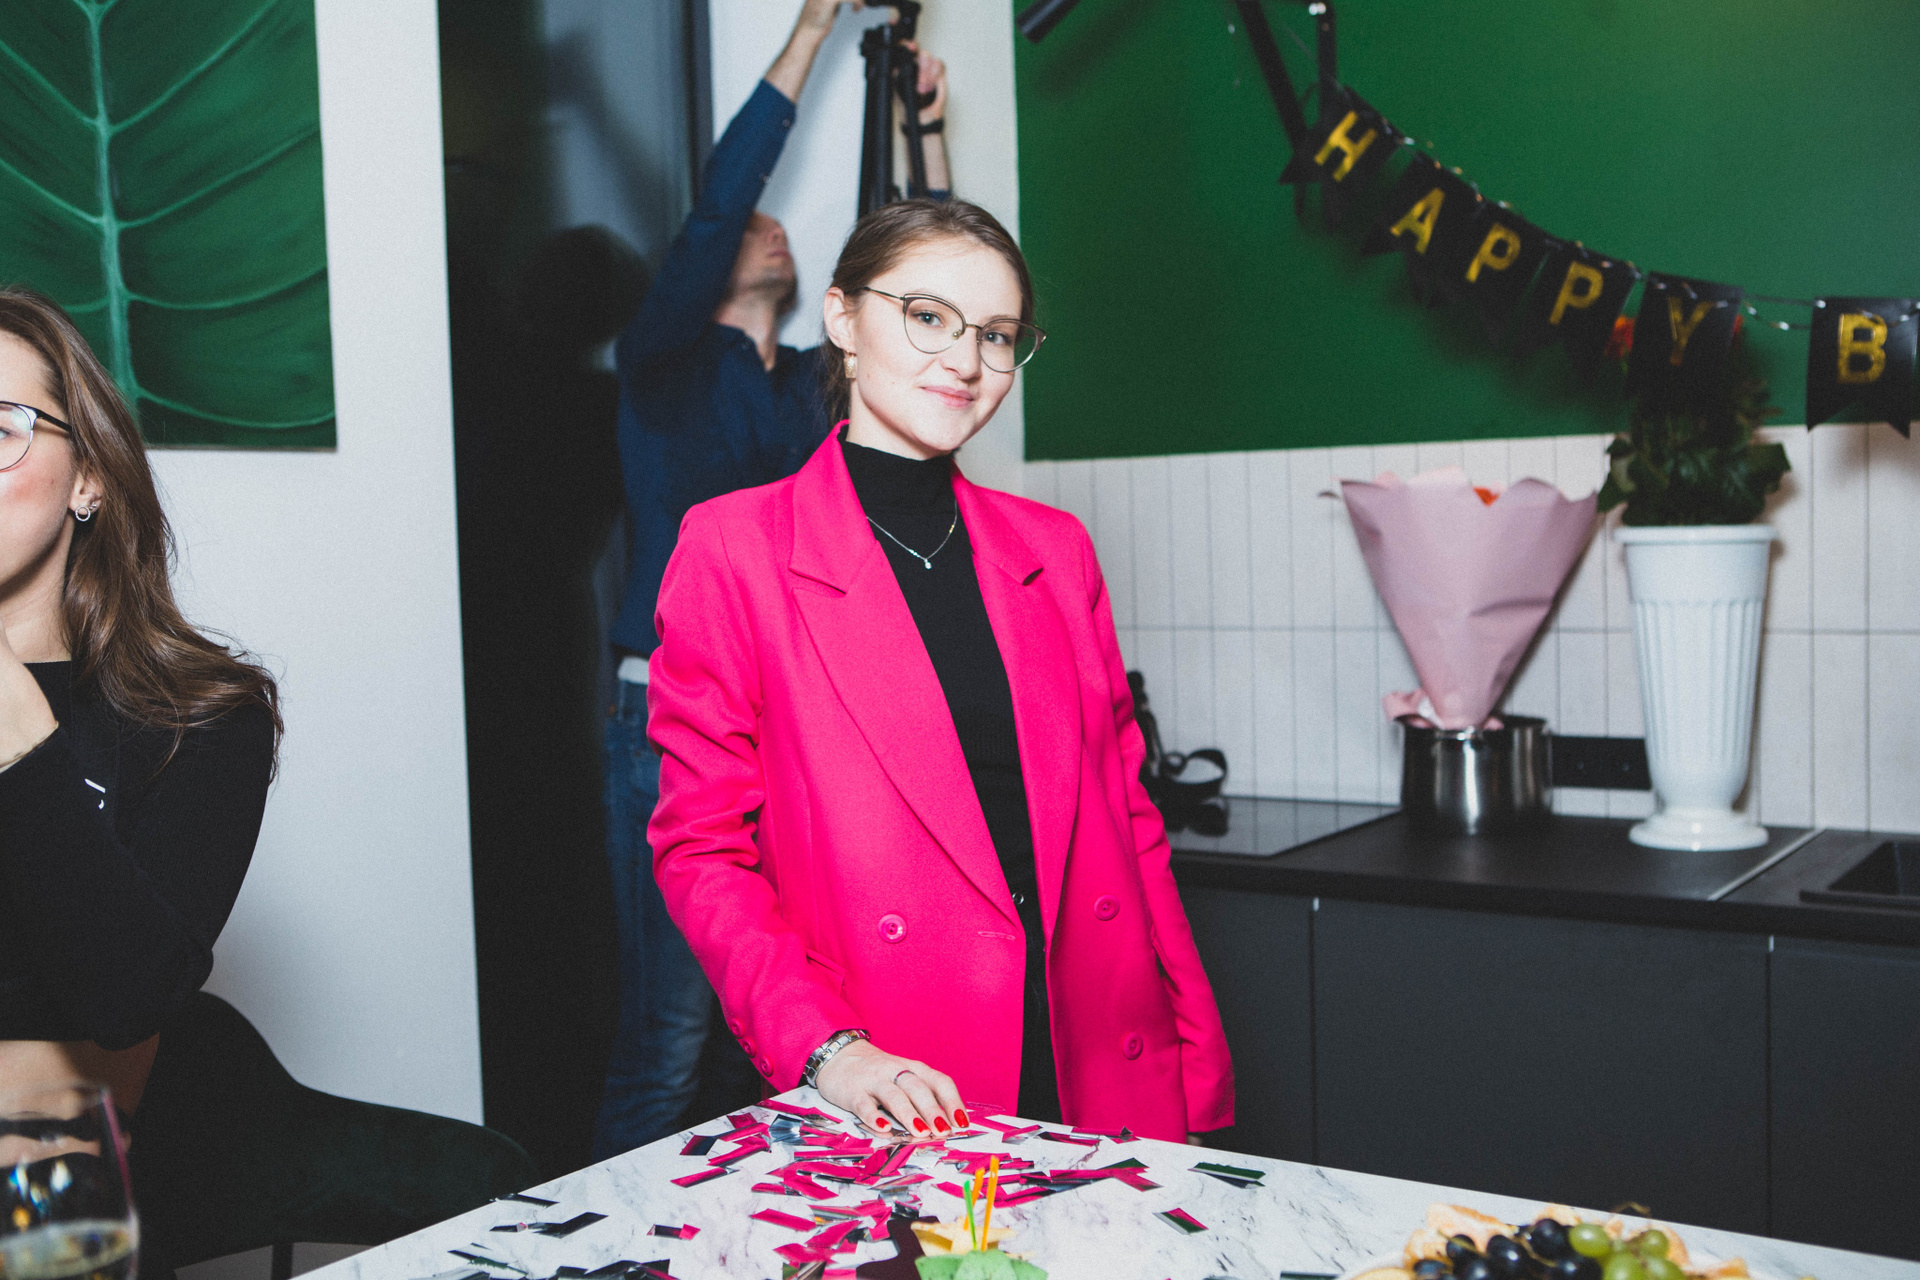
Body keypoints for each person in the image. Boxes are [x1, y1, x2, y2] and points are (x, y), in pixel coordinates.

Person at [645, 200, 1236, 1141]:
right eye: (928, 316)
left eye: (996, 334)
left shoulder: (1055, 550)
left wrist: (1195, 1065)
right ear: (843, 319)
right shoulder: (735, 549)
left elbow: (1129, 822)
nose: (964, 360)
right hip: (900, 1073)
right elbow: (702, 851)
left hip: (1099, 1056)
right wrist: (829, 1050)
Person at [0, 287, 535, 1273]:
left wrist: (24, 740)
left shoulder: (196, 719)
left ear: (89, 478)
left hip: (50, 1205)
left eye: (2, 428)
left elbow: (125, 998)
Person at [596, 0, 951, 1157]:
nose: (770, 229)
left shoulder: (813, 391)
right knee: (669, 1032)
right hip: (666, 720)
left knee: (777, 1026)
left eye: (780, 226)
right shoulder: (660, 366)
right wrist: (811, 27)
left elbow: (921, 295)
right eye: (749, 226)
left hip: (793, 723)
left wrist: (924, 128)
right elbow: (717, 202)